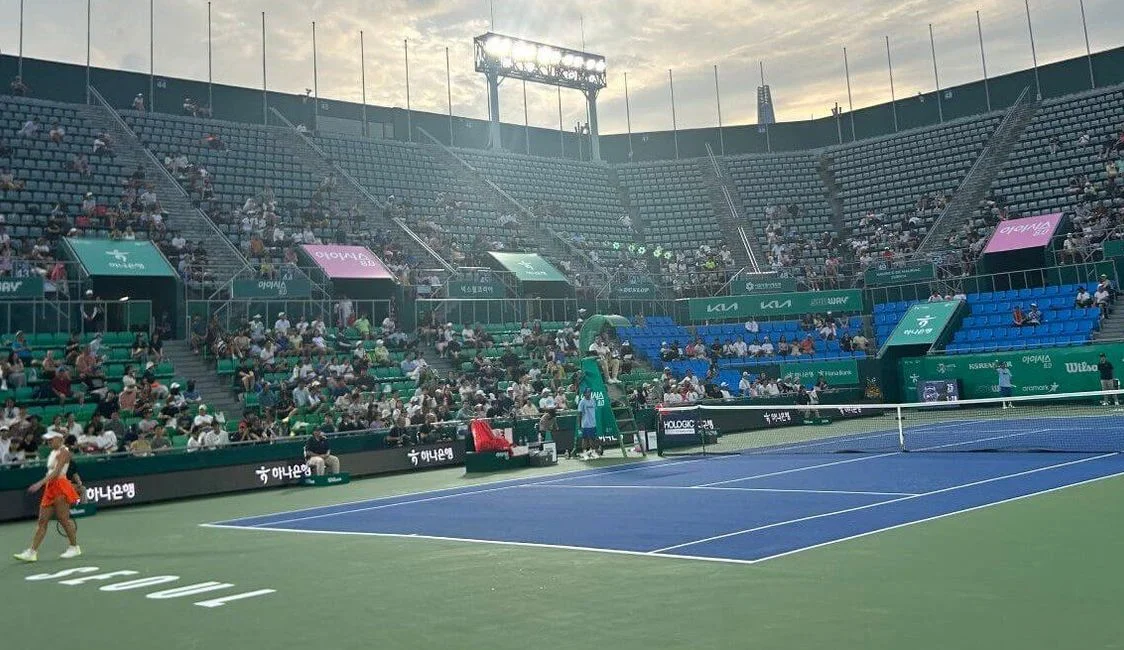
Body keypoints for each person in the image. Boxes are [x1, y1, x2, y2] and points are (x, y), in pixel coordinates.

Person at [13, 431, 82, 562]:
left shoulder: (64, 452)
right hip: (50, 487)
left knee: (63, 520)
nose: (49, 442)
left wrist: (40, 483)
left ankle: (74, 547)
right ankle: (32, 552)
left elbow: (56, 472)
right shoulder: (52, 452)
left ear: (59, 439)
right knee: (42, 520)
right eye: (48, 440)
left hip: (60, 486)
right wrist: (45, 484)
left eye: (51, 439)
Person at [576, 388, 601, 460]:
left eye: (590, 392)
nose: (589, 393)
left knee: (592, 438)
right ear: (584, 394)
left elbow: (594, 411)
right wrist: (580, 424)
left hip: (593, 423)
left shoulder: (593, 401)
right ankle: (584, 453)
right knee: (585, 439)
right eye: (588, 392)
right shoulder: (582, 402)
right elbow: (580, 414)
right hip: (585, 424)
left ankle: (593, 452)